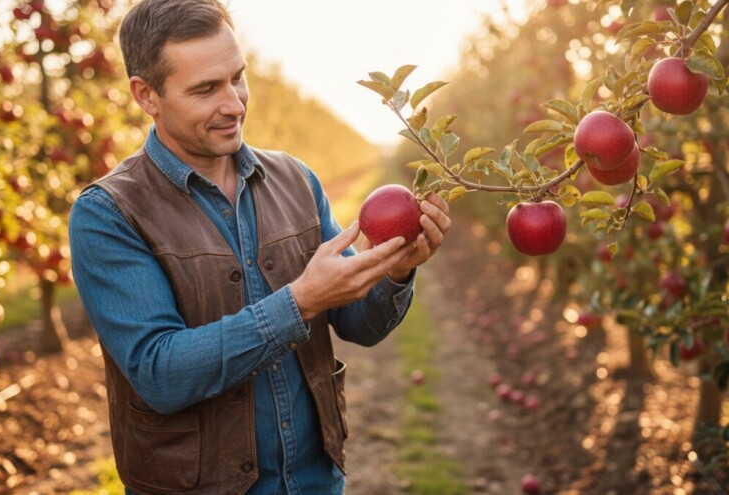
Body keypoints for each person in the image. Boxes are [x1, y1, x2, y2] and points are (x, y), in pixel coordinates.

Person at [67, 0, 451, 493]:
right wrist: (300, 301)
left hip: (314, 481)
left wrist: (397, 273)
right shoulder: (110, 213)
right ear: (146, 95)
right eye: (206, 89)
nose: (234, 103)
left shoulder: (294, 179)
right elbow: (160, 373)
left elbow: (359, 323)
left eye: (237, 78)